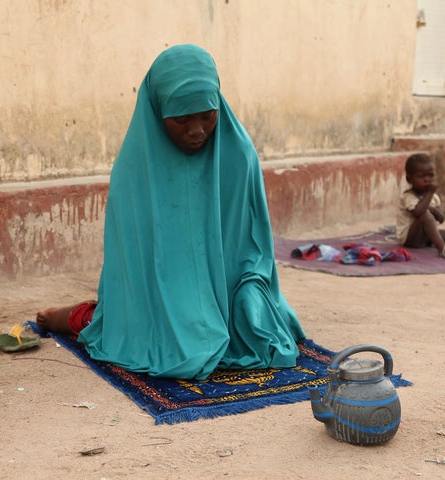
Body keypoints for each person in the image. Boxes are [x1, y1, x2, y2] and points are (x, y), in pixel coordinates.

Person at [36, 44, 305, 380]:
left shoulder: (239, 154)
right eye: (181, 119)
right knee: (178, 339)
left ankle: (92, 314)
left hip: (230, 284)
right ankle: (80, 317)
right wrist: (192, 299)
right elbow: (136, 271)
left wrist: (245, 294)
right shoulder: (134, 172)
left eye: (208, 115)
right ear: (157, 110)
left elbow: (252, 251)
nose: (196, 131)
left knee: (259, 328)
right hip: (164, 287)